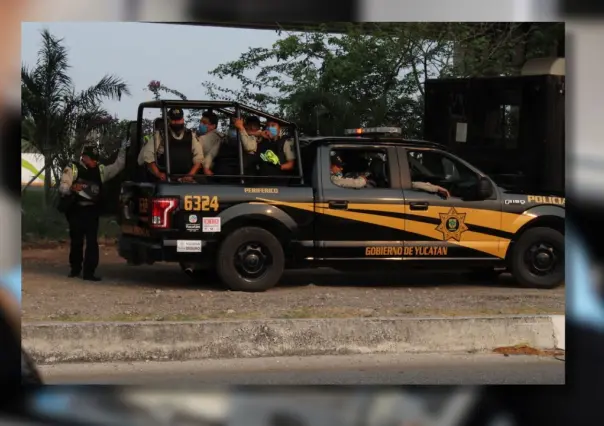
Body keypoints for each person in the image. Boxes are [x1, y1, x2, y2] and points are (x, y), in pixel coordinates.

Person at [58, 142, 128, 281]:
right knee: (76, 241)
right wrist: (72, 188)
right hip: (76, 210)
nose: (94, 162)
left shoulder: (100, 170)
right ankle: (75, 269)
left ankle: (89, 272)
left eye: (96, 159)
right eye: (91, 159)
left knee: (92, 242)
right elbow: (63, 187)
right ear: (83, 157)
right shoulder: (73, 168)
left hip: (91, 211)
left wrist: (123, 150)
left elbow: (117, 166)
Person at [137, 108, 204, 182]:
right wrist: (158, 173)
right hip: (165, 178)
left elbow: (199, 157)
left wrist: (190, 175)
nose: (177, 122)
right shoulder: (160, 134)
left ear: (183, 119)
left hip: (187, 178)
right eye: (174, 120)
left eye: (179, 120)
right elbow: (148, 155)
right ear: (169, 120)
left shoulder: (191, 135)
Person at [195, 110, 225, 176]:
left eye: (204, 123)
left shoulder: (201, 139)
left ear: (213, 126)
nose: (201, 125)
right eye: (200, 122)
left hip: (205, 170)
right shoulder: (222, 136)